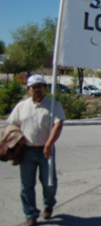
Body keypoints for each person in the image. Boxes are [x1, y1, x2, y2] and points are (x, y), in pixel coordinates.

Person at [7, 75, 66, 226]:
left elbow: (58, 125)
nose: (37, 90)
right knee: (26, 185)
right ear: (29, 89)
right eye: (34, 87)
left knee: (49, 184)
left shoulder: (54, 105)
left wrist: (48, 145)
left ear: (45, 88)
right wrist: (14, 139)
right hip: (26, 152)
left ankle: (49, 204)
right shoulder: (21, 106)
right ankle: (31, 215)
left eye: (40, 86)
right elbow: (11, 124)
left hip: (47, 151)